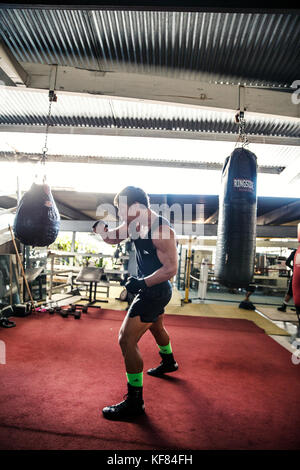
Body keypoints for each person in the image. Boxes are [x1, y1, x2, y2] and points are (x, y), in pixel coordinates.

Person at [92, 186, 178, 420]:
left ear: (137, 207)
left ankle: (135, 402)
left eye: (121, 208)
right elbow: (112, 238)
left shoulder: (161, 230)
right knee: (157, 327)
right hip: (152, 288)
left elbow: (171, 269)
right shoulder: (133, 224)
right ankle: (169, 361)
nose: (119, 212)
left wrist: (142, 284)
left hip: (155, 290)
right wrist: (101, 229)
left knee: (126, 339)